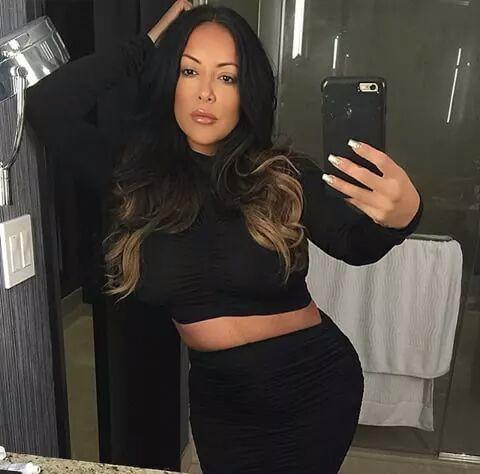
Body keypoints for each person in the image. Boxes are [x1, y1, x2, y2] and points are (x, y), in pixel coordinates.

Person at [25, 2, 424, 472]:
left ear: (246, 91)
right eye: (189, 71)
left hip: (311, 384)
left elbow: (356, 246)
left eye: (227, 77)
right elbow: (48, 106)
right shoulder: (133, 177)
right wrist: (147, 44)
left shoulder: (280, 174)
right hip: (220, 397)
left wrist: (403, 216)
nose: (206, 93)